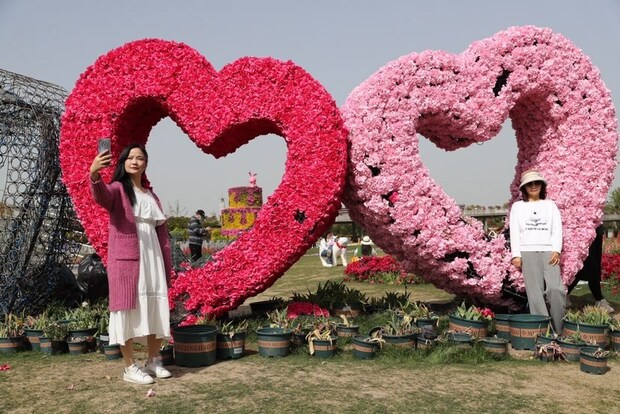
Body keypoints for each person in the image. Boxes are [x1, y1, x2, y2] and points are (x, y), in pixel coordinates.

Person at [90, 143, 172, 385]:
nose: (135, 161)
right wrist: (94, 174)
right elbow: (101, 196)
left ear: (146, 164)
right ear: (123, 162)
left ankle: (153, 360)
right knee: (126, 309)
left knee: (154, 306)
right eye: (131, 158)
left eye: (140, 158)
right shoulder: (117, 189)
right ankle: (129, 367)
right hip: (126, 260)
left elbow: (161, 233)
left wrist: (168, 265)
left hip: (152, 256)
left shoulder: (151, 195)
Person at [510, 170, 565, 334]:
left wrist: (556, 249)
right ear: (524, 188)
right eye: (529, 184)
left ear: (542, 186)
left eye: (537, 183)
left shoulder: (550, 205)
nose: (533, 186)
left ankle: (559, 329)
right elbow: (514, 231)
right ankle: (545, 332)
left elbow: (557, 228)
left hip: (549, 251)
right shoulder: (518, 207)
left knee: (556, 289)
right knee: (535, 294)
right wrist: (516, 254)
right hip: (527, 252)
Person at [567, 224, 614, 313]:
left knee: (593, 262)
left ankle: (599, 299)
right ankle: (598, 298)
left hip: (594, 225)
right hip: (577, 226)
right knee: (580, 262)